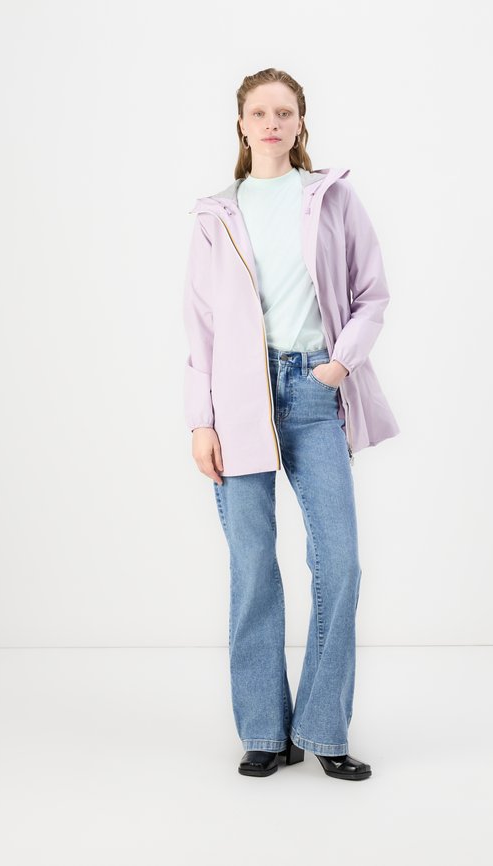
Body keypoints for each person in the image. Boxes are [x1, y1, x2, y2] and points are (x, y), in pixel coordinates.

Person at [182, 67, 400, 780]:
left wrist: (338, 366)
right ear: (242, 126)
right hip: (238, 398)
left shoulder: (330, 197)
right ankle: (265, 732)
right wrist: (201, 421)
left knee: (340, 563)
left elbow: (371, 294)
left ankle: (325, 729)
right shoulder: (216, 213)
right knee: (252, 569)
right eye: (259, 113)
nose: (272, 123)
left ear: (301, 122)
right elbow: (201, 326)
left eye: (284, 112)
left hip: (313, 392)